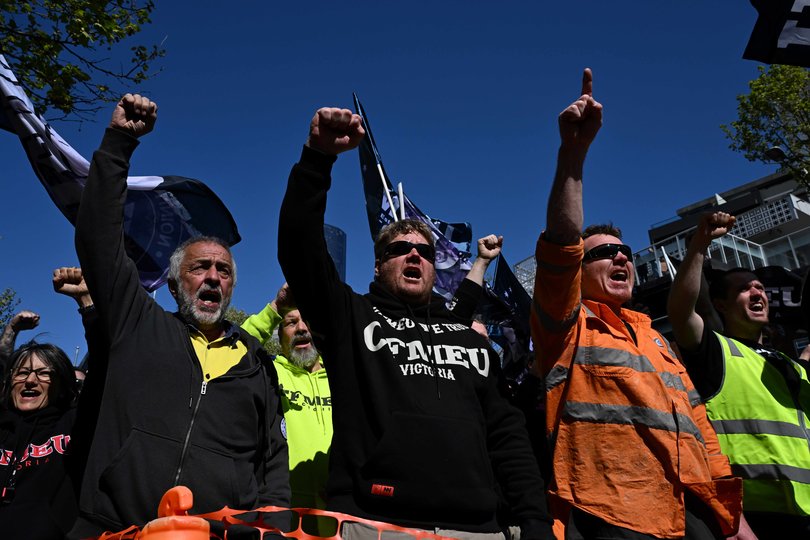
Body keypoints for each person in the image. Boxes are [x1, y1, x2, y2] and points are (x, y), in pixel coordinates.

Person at [278, 107, 554, 539]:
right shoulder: (350, 316)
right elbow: (299, 249)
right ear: (377, 267)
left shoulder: (468, 337)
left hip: (477, 529)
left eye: (424, 252)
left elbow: (506, 433)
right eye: (400, 249)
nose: (414, 256)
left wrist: (534, 520)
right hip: (374, 523)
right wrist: (318, 158)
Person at [530, 68, 742, 539]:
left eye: (625, 252)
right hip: (610, 511)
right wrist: (573, 154)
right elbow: (562, 243)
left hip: (693, 511)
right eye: (604, 253)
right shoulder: (565, 329)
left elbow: (698, 424)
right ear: (579, 272)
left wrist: (735, 517)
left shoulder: (654, 338)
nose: (621, 257)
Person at [71, 94, 289, 537]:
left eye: (223, 271)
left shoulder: (257, 362)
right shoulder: (137, 324)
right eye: (199, 267)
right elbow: (98, 238)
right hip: (113, 528)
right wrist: (118, 144)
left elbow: (273, 463)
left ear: (232, 286)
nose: (213, 277)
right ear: (173, 284)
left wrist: (273, 529)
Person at [668, 211, 810, 539]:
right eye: (744, 289)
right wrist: (700, 245)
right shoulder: (716, 352)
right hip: (753, 520)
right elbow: (680, 311)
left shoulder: (792, 365)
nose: (756, 293)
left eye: (760, 287)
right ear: (720, 304)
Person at [242, 283, 332, 512]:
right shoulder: (269, 372)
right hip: (280, 511)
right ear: (279, 334)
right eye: (291, 323)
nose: (301, 328)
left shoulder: (340, 379)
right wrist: (275, 308)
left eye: (307, 321)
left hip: (336, 513)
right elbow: (236, 349)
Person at [0, 341, 79, 539]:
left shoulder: (75, 425)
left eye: (44, 373)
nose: (30, 380)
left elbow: (107, 359)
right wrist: (10, 332)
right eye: (22, 372)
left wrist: (89, 312)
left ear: (62, 383)